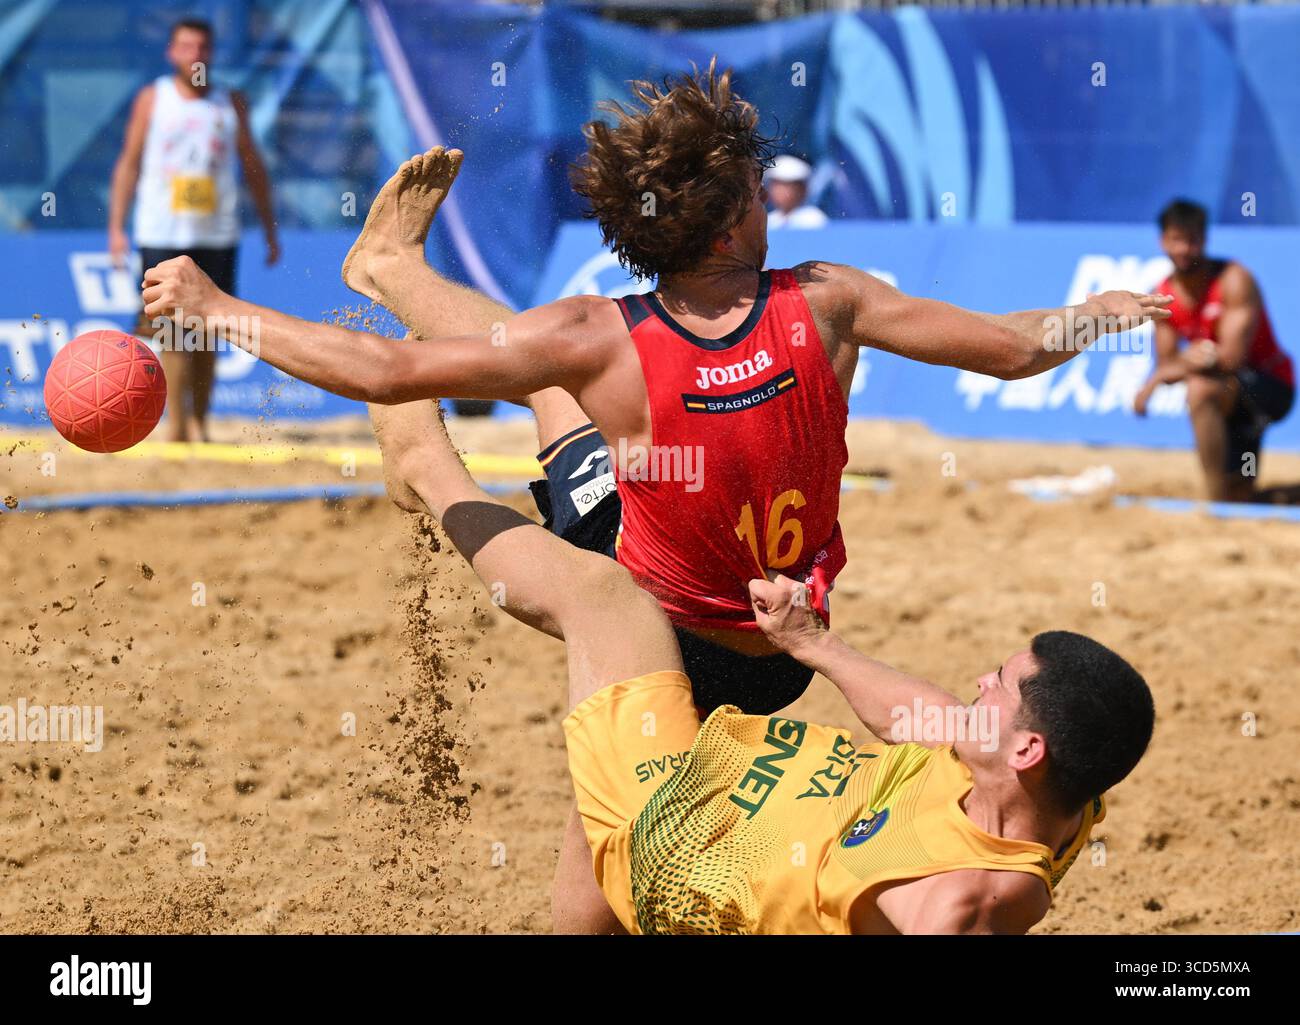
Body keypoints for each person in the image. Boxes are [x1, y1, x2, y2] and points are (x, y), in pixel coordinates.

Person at [327, 63, 1169, 719]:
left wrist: (226, 316)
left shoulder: (621, 327)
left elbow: (392, 372)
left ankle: (398, 303)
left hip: (666, 624)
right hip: (779, 648)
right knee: (560, 399)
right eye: (760, 191)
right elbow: (1013, 350)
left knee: (559, 393)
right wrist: (1095, 313)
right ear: (733, 222)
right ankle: (411, 383)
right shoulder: (829, 296)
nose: (772, 200)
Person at [361, 396, 1154, 934]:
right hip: (734, 767)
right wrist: (818, 645)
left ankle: (423, 462)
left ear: (1027, 748)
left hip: (678, 846)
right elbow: (927, 716)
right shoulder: (1055, 792)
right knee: (615, 738)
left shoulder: (963, 900)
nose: (980, 683)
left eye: (1001, 687)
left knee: (605, 595)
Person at [109, 16, 279, 443]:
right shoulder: (155, 98)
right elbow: (129, 163)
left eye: (202, 47)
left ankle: (200, 422)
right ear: (171, 53)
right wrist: (116, 227)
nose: (195, 55)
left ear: (212, 53)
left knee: (210, 328)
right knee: (169, 330)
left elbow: (253, 165)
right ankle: (177, 425)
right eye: (186, 47)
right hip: (163, 231)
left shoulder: (229, 101)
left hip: (216, 232)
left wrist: (269, 227)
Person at [1134, 199, 1294, 502]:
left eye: (1191, 240)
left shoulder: (1233, 280)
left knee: (1199, 390)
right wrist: (1188, 362)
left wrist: (1160, 377)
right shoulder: (1164, 294)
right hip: (1230, 396)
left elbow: (1231, 359)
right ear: (1162, 241)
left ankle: (1212, 501)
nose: (1183, 249)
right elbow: (1167, 365)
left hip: (1269, 387)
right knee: (1243, 494)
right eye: (1176, 239)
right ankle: (1242, 496)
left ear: (1204, 240)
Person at [764, 154, 829, 229]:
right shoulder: (770, 220)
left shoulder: (815, 220)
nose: (780, 191)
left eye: (787, 185)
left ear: (803, 189)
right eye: (776, 185)